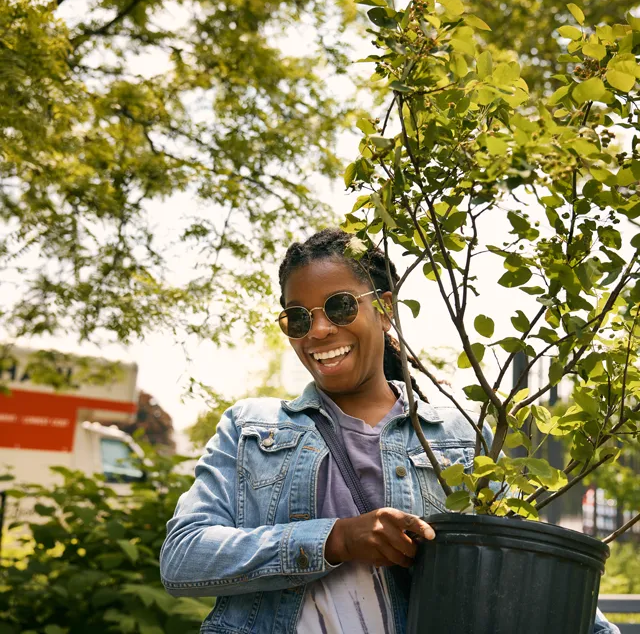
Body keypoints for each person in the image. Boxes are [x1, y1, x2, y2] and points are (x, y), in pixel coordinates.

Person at [160, 228, 619, 634]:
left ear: (384, 308)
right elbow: (182, 557)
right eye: (298, 316)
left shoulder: (455, 433)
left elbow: (522, 564)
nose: (317, 331)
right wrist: (336, 539)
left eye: (338, 307)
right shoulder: (250, 428)